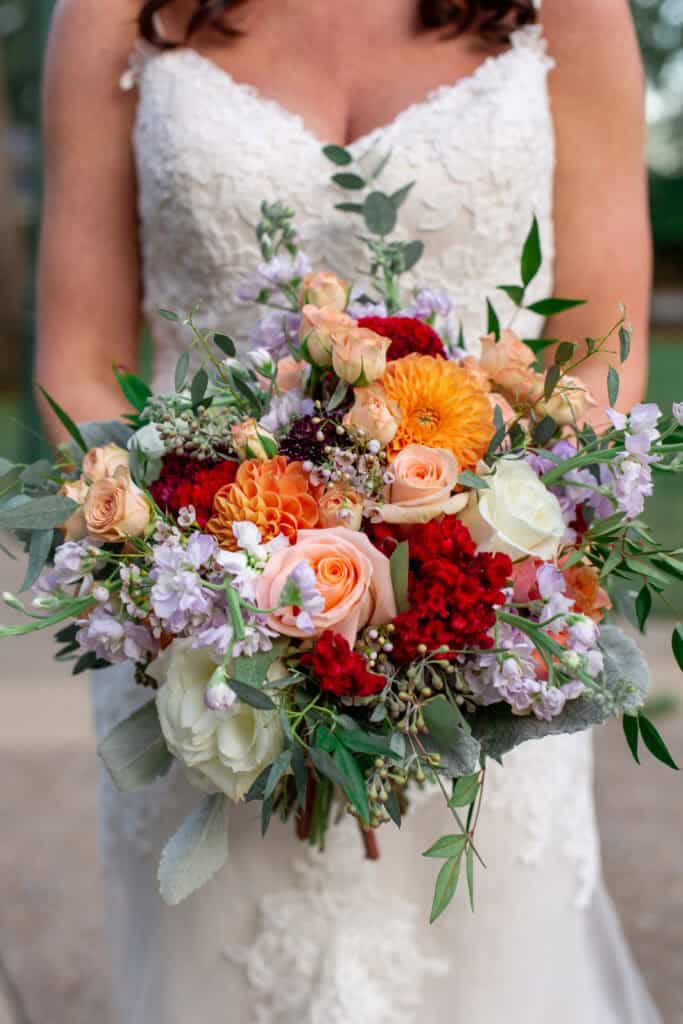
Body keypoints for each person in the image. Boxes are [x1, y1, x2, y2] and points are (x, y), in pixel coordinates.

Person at [36, 1, 660, 1021]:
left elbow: (596, 352)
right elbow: (80, 361)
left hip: (485, 634)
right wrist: (190, 584)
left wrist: (459, 598)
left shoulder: (570, 9)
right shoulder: (111, 10)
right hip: (205, 649)